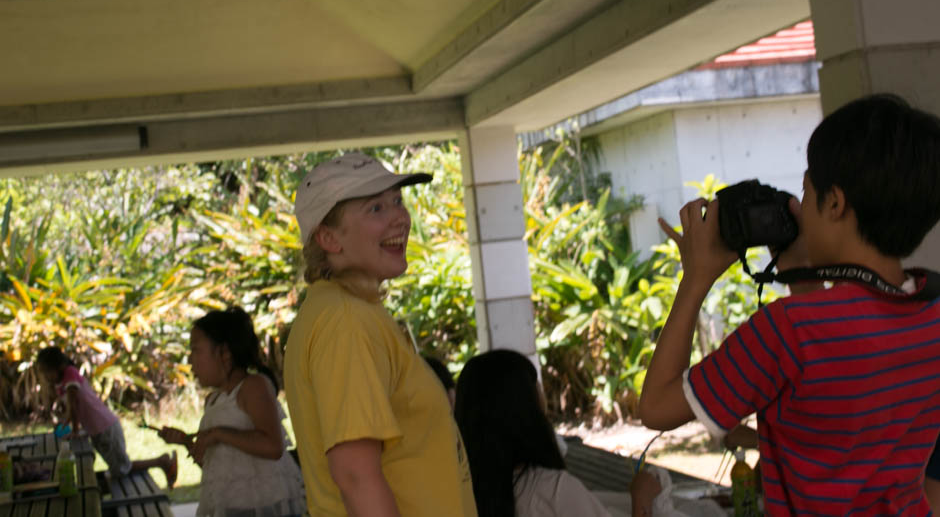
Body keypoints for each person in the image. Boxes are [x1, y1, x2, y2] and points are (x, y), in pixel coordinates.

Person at [639, 94, 940, 514]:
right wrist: (801, 275)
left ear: (834, 203)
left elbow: (654, 407)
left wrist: (696, 278)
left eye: (806, 189)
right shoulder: (932, 313)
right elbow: (836, 398)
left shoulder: (787, 330)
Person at [283, 152, 476, 517]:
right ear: (328, 238)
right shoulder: (345, 322)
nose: (400, 217)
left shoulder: (352, 310)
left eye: (397, 202)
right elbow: (356, 476)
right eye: (375, 209)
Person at [455, 349, 725, 517]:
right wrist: (641, 500)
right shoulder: (551, 489)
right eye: (537, 394)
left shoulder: (462, 492)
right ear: (525, 413)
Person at [158, 308, 305, 517]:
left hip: (264, 506)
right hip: (232, 506)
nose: (190, 360)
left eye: (195, 350)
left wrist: (218, 434)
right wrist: (187, 442)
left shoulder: (253, 387)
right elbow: (217, 467)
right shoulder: (213, 401)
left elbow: (273, 446)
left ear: (224, 353)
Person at [35, 346, 178, 487]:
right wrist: (69, 425)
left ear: (58, 366)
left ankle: (162, 461)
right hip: (98, 430)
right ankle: (161, 462)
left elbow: (73, 407)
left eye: (46, 372)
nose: (45, 377)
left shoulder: (70, 374)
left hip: (105, 429)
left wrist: (74, 431)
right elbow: (75, 408)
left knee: (122, 470)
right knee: (119, 469)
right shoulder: (65, 379)